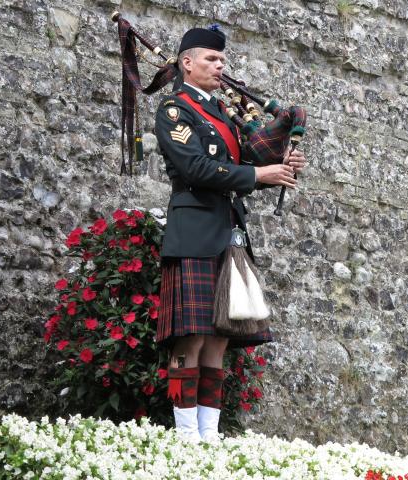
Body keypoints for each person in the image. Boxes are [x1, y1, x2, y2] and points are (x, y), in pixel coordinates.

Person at [153, 25, 307, 442]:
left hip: (228, 229)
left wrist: (280, 165)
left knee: (220, 337)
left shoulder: (223, 113)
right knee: (192, 337)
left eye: (222, 60)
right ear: (187, 63)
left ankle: (210, 436)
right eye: (211, 59)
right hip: (194, 227)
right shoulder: (174, 110)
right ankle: (186, 437)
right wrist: (258, 173)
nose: (220, 66)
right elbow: (196, 168)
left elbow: (246, 165)